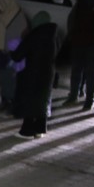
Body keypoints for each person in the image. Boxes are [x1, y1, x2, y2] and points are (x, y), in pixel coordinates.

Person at [11, 11, 60, 139]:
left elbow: (18, 55)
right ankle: (40, 129)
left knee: (30, 101)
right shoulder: (54, 36)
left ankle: (27, 131)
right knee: (43, 100)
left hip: (33, 73)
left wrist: (12, 50)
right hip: (48, 73)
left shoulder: (33, 35)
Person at [0, 0, 28, 115]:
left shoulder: (17, 15)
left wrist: (12, 50)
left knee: (11, 79)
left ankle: (13, 103)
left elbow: (20, 35)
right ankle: (4, 100)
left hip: (12, 53)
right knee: (2, 79)